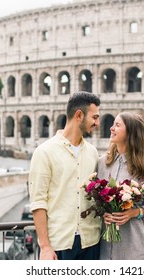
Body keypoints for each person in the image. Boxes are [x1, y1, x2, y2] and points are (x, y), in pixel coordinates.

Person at [28, 91, 102, 260]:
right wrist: (45, 247)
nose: (97, 123)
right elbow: (38, 202)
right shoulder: (44, 152)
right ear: (79, 115)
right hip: (59, 245)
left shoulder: (93, 153)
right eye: (95, 117)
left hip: (91, 242)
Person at [97, 112, 144, 260]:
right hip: (105, 248)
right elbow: (96, 200)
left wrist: (134, 213)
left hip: (133, 248)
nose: (111, 128)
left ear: (130, 132)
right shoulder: (103, 162)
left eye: (117, 125)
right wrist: (103, 213)